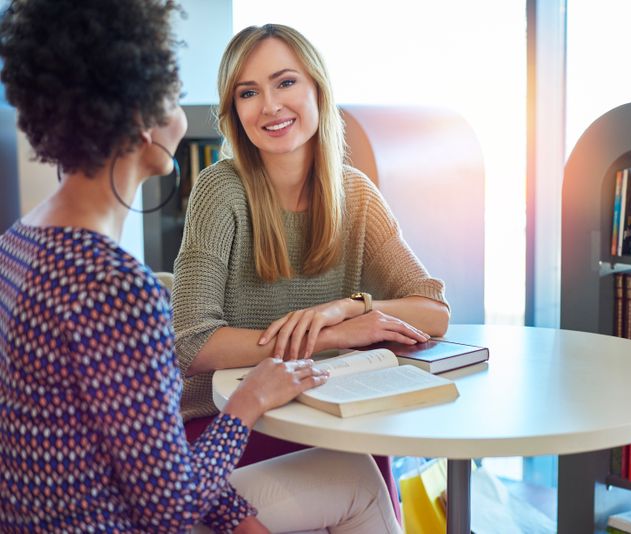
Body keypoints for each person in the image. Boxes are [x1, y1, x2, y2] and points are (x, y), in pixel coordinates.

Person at [0, 2, 401, 533]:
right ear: (144, 120)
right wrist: (249, 400)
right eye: (171, 93)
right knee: (356, 478)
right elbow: (171, 506)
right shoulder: (114, 289)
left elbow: (134, 455)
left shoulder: (18, 244)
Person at [172, 22, 451, 507]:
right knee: (364, 470)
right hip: (225, 425)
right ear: (235, 111)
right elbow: (192, 344)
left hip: (325, 412)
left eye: (285, 82)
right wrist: (335, 337)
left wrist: (347, 308)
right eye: (248, 92)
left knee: (370, 452)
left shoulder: (355, 193)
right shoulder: (221, 190)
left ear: (317, 89)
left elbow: (433, 310)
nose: (270, 106)